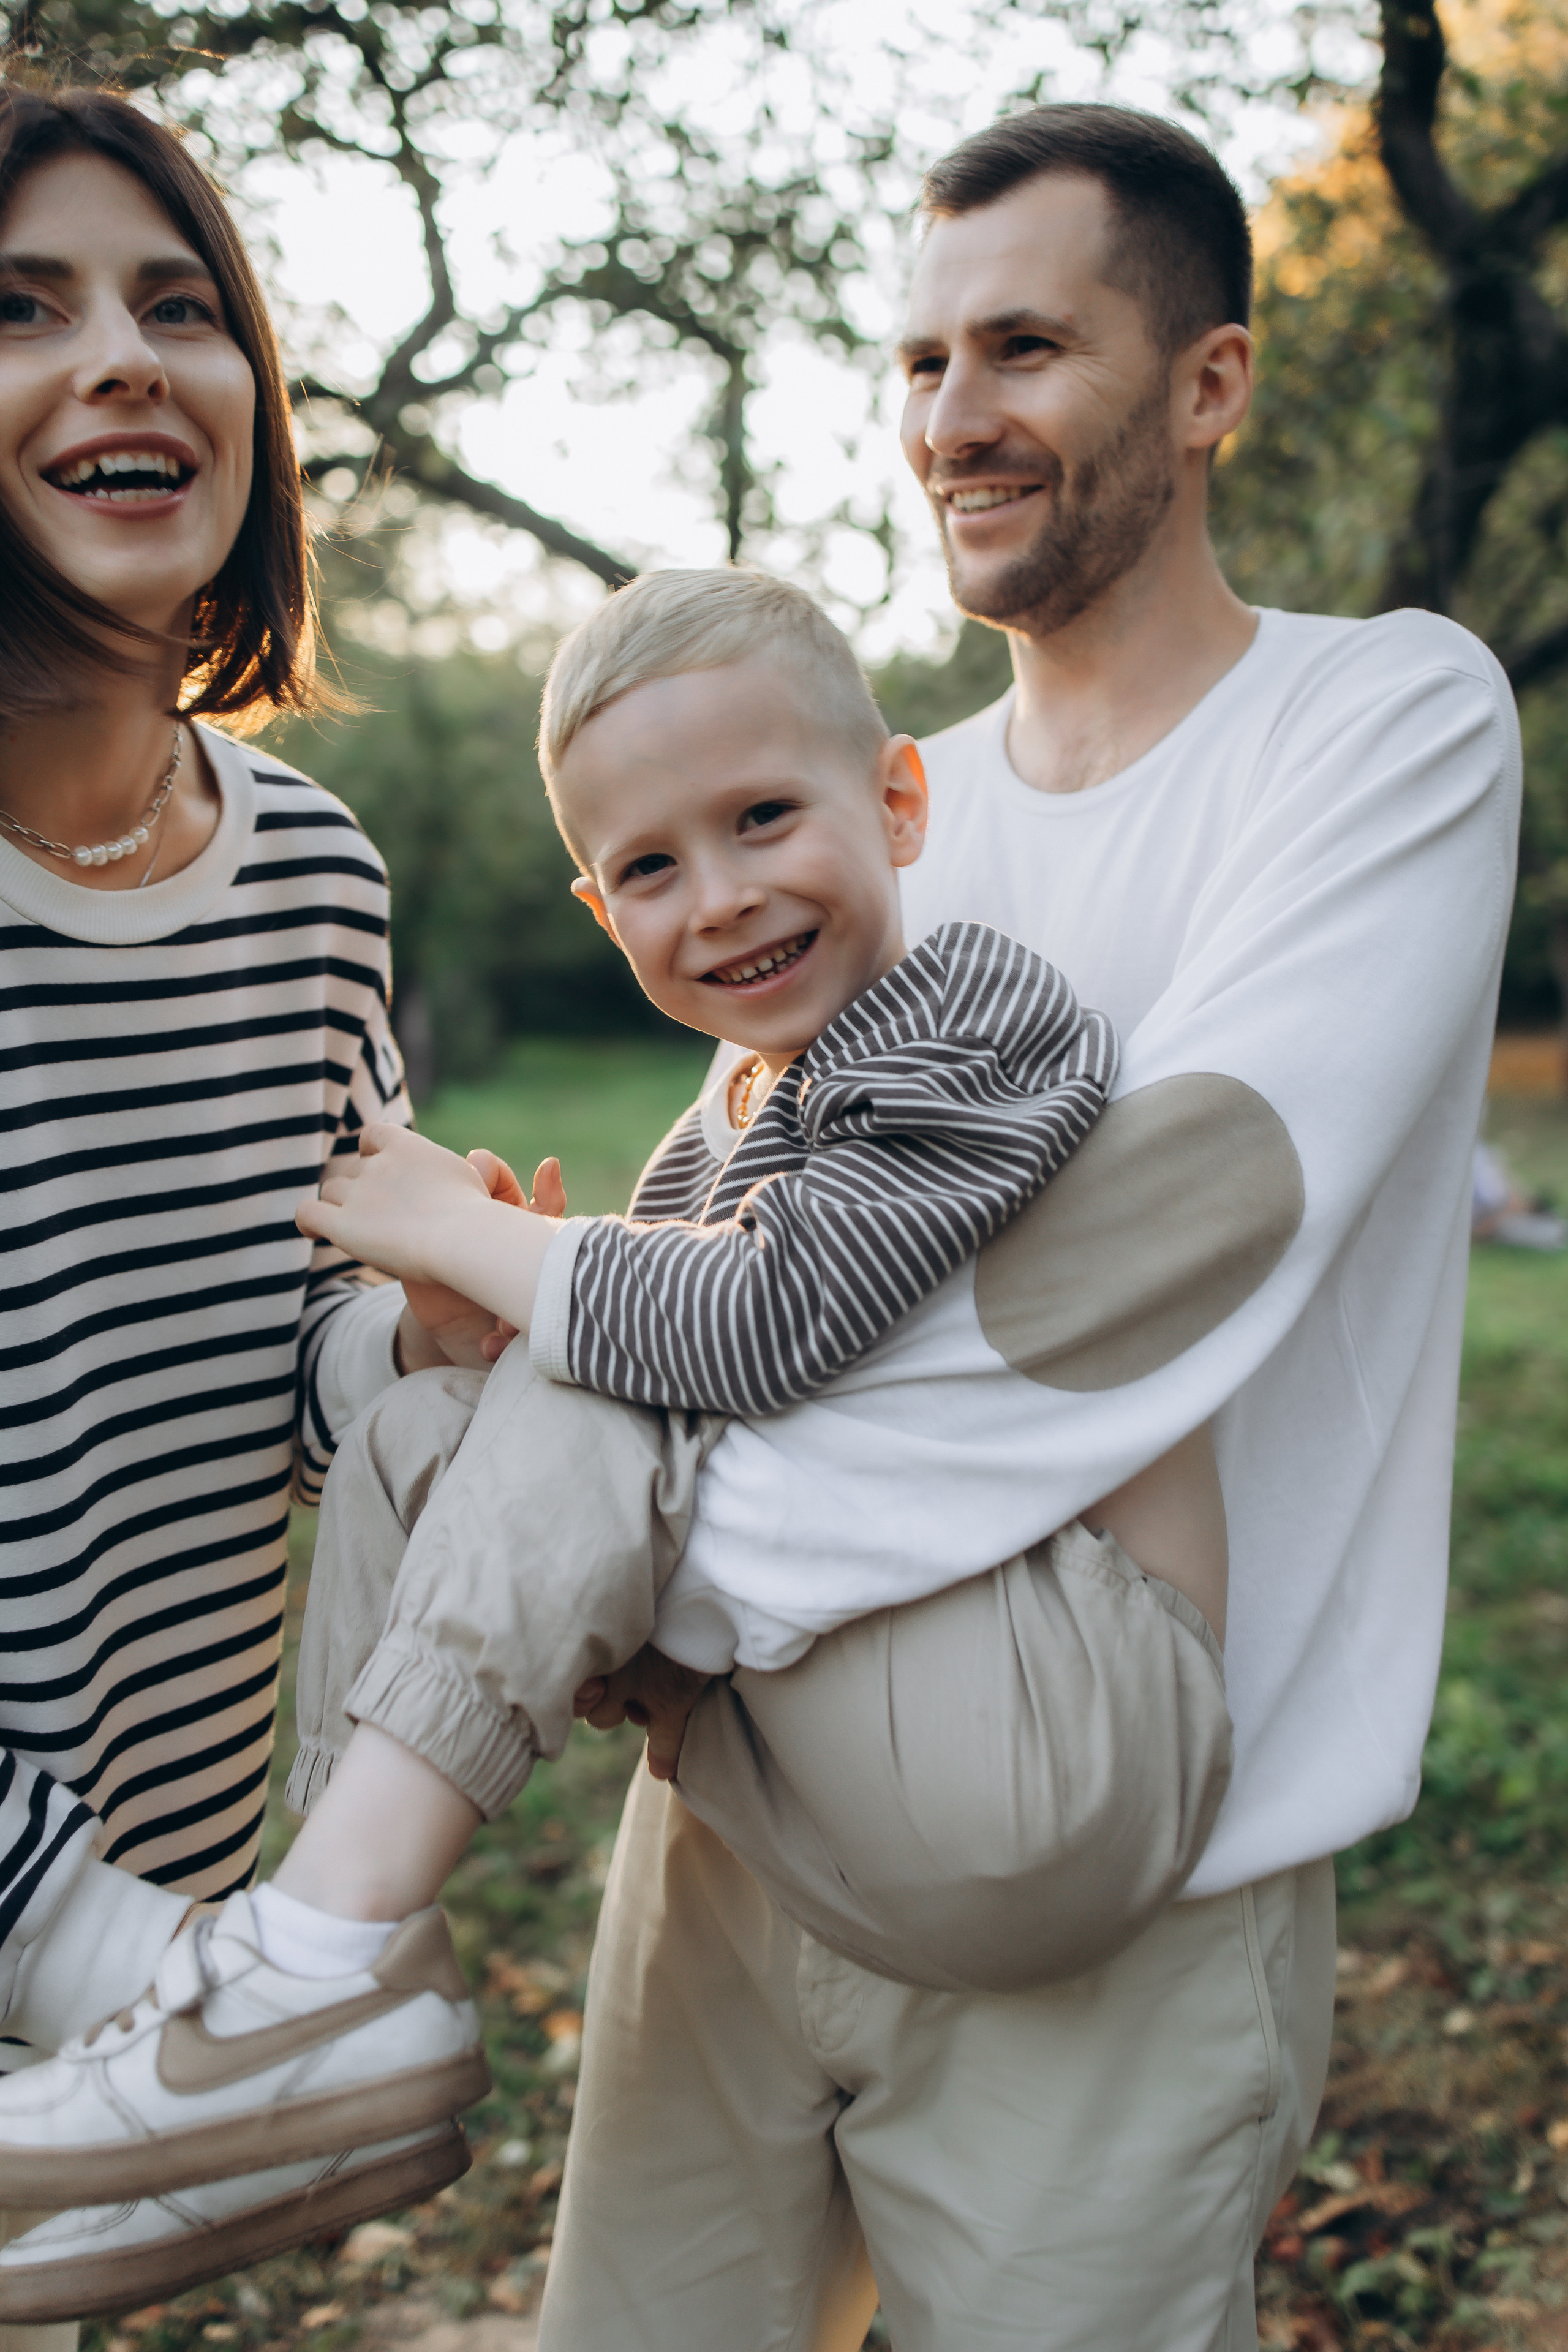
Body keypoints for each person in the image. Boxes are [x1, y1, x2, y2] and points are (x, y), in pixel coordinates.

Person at [507, 103, 1515, 2351]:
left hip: (1117, 1862)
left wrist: (636, 1559)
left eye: (1028, 347)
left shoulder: (1382, 722)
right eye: (922, 362)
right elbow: (723, 1260)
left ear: (1212, 381)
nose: (954, 420)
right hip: (740, 1830)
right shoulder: (871, 813)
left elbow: (1147, 1258)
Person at [0, 569, 1234, 2317]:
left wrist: (481, 1240)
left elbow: (764, 1323)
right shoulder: (709, 1123)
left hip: (1056, 1717)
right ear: (598, 908)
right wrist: (488, 1345)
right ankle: (293, 1969)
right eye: (651, 868)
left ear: (896, 800)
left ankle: (301, 1982)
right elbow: (630, 1414)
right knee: (449, 1414)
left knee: (592, 1363)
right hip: (827, 1747)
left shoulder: (975, 1015)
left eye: (762, 819)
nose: (719, 899)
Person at [0, 78, 508, 2342]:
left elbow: (263, 1352)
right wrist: (104, 1946)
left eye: (176, 304)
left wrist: (416, 1333)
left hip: (176, 1872)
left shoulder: (312, 870)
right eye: (23, 311)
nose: (121, 357)